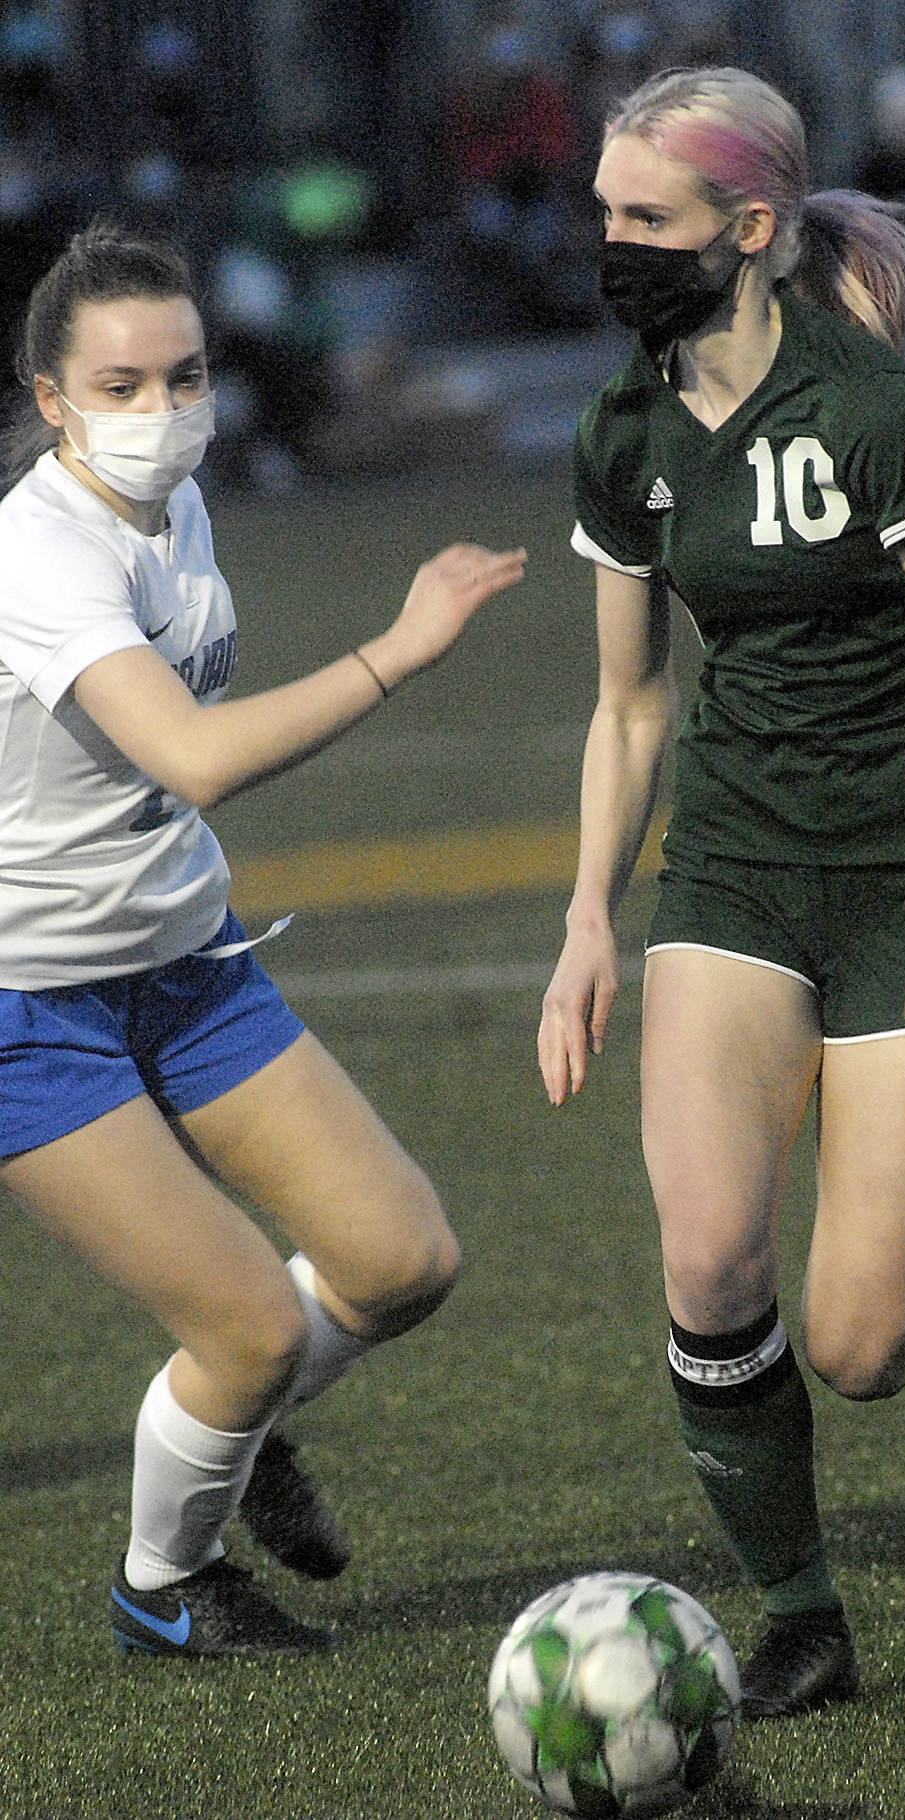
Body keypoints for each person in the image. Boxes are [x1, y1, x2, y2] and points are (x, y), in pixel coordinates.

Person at [537, 66, 905, 1718]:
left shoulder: (872, 411)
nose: (614, 244)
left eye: (649, 217)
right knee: (709, 1266)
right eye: (605, 212)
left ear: (751, 228)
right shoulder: (623, 430)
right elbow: (630, 706)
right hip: (737, 863)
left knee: (862, 1350)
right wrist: (585, 923)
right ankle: (801, 1618)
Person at [0, 219, 526, 1657]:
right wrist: (397, 649)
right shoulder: (38, 553)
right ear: (50, 398)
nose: (161, 411)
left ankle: (235, 1422)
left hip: (189, 966)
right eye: (119, 386)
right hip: (31, 1009)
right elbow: (194, 756)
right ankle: (164, 1587)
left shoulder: (175, 505)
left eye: (184, 377)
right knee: (248, 1330)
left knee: (402, 1259)